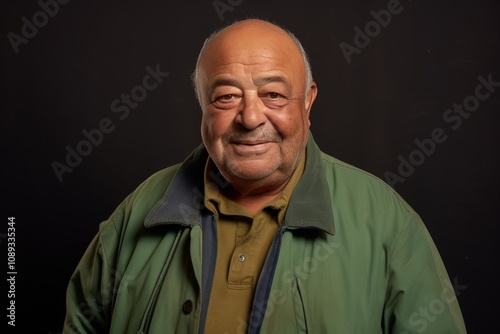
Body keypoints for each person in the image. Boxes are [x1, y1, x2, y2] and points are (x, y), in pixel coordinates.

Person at [63, 18, 467, 333]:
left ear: (307, 102)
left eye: (273, 94)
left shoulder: (386, 223)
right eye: (226, 96)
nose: (251, 117)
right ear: (202, 105)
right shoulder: (139, 211)